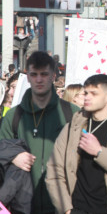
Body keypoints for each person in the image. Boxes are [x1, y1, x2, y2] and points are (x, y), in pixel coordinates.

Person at [46, 74, 107, 213]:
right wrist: (66, 209)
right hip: (77, 209)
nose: (87, 97)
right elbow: (55, 171)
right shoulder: (72, 127)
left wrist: (99, 152)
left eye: (94, 94)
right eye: (85, 93)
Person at [0, 51, 80, 213]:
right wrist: (13, 156)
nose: (39, 79)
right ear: (27, 76)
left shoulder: (72, 113)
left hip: (63, 204)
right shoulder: (13, 115)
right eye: (34, 74)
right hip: (22, 204)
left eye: (44, 74)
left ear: (53, 76)